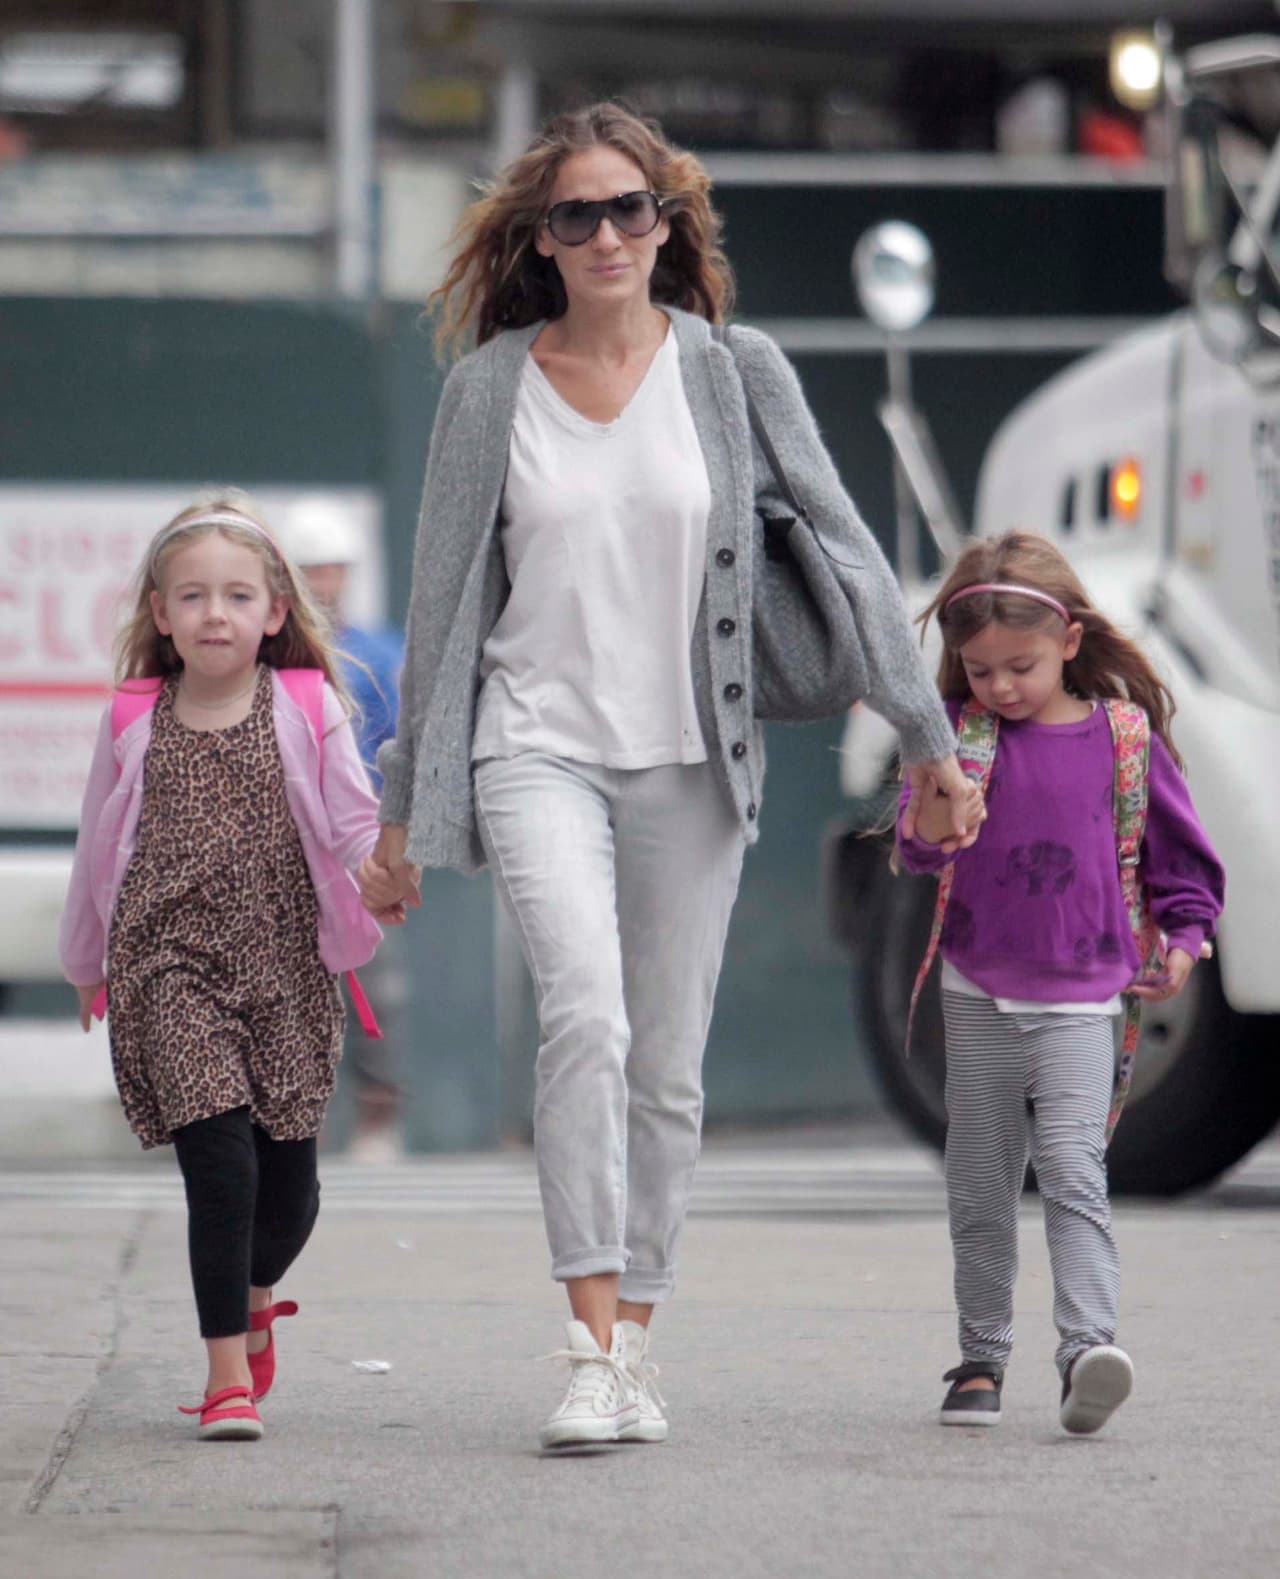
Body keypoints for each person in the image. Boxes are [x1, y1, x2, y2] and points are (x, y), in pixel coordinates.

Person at [359, 100, 976, 1451]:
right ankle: (587, 1349)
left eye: (627, 208)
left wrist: (928, 735)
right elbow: (443, 604)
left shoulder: (732, 370)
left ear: (666, 222)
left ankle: (638, 1338)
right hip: (534, 744)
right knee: (582, 1009)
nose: (605, 233)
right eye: (575, 213)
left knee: (667, 1065)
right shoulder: (487, 389)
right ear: (540, 236)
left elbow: (849, 549)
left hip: (694, 755)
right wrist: (399, 812)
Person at [58, 492, 388, 1442]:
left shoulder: (309, 704)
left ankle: (254, 1296)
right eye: (193, 595)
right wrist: (87, 961)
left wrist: (383, 873)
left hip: (287, 971)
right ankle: (225, 1378)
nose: (215, 614)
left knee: (290, 1198)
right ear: (160, 613)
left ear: (275, 611)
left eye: (238, 596)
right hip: (168, 969)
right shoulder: (133, 715)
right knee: (221, 1168)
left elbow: (355, 822)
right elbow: (95, 845)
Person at [897, 530, 1225, 1436]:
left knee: (1076, 1171)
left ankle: (1087, 1350)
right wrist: (942, 806)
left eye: (1022, 666)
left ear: (1070, 640)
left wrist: (1187, 938)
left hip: (1085, 997)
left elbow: (1181, 856)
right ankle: (980, 1359)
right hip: (977, 993)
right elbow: (919, 849)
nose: (1001, 687)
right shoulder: (958, 735)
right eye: (980, 670)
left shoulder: (1123, 737)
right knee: (981, 1182)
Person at [280, 496, 407, 1160]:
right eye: (311, 570)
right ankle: (296, 1121)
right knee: (286, 987)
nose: (324, 584)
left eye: (333, 569)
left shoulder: (381, 655)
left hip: (358, 851)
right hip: (282, 849)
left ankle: (377, 1119)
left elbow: (401, 752)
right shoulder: (267, 658)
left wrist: (386, 846)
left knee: (377, 986)